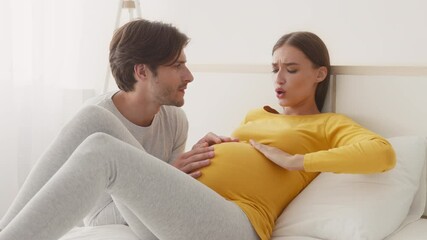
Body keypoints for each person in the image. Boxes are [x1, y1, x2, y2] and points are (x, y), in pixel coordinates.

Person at [0, 24, 396, 240]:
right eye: (274, 68)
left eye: (291, 69)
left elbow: (382, 154)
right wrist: (184, 165)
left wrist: (296, 159)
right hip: (181, 212)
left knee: (102, 149)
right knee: (92, 121)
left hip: (232, 225)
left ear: (320, 74)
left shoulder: (327, 125)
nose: (279, 77)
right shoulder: (255, 114)